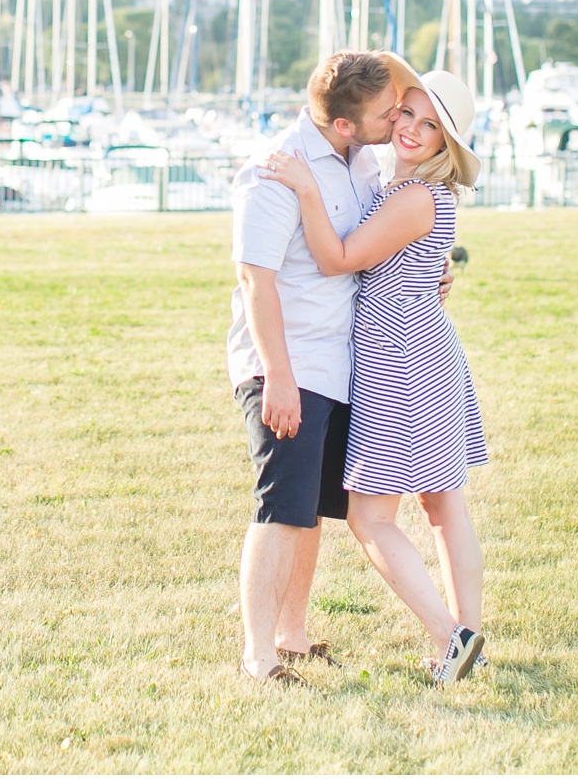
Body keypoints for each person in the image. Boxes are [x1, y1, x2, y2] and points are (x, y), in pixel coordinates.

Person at [258, 55, 490, 684]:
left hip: (399, 359)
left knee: (370, 518)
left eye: (429, 125)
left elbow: (336, 258)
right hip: (422, 349)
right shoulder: (409, 190)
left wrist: (305, 187)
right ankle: (467, 637)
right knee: (444, 505)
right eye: (406, 113)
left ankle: (455, 637)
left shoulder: (415, 195)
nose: (410, 128)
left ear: (447, 144)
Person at [227, 50, 401, 684]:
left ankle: (292, 635)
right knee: (281, 507)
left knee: (313, 508)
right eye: (387, 113)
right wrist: (276, 375)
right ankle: (259, 657)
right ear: (346, 123)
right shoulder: (273, 171)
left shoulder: (361, 162)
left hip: (339, 363)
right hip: (288, 363)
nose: (397, 118)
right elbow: (255, 280)